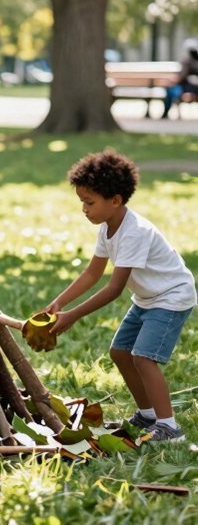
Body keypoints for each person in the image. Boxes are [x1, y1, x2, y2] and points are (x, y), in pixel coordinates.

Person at [45, 150, 196, 443]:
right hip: (147, 298)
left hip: (171, 297)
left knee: (143, 358)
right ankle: (148, 414)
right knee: (120, 352)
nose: (84, 210)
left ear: (115, 200)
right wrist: (61, 301)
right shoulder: (108, 227)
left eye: (89, 202)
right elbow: (92, 273)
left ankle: (169, 427)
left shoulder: (134, 232)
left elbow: (113, 289)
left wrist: (73, 316)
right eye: (82, 202)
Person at [161, 38, 198, 119]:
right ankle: (166, 112)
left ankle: (165, 112)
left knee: (170, 90)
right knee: (171, 90)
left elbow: (181, 76)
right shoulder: (192, 62)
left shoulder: (187, 62)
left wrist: (172, 81)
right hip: (190, 88)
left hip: (187, 88)